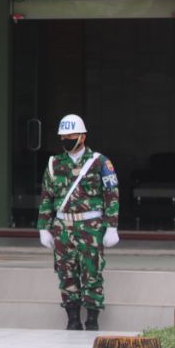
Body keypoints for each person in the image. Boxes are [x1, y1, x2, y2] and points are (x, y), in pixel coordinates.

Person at [37, 114, 120, 331]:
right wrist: (43, 228)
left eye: (71, 135)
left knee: (92, 273)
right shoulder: (54, 163)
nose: (66, 139)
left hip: (90, 226)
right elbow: (47, 196)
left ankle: (92, 320)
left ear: (82, 136)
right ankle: (72, 318)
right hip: (63, 227)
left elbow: (111, 194)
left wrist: (112, 226)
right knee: (66, 273)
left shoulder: (100, 162)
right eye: (63, 136)